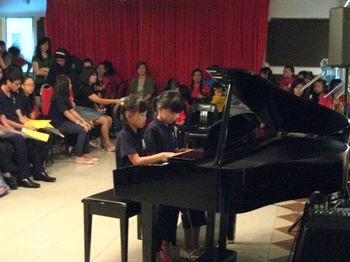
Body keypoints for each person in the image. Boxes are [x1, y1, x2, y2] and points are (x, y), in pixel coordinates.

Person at [144, 91, 207, 261]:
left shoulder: (170, 127)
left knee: (198, 196)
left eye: (177, 113)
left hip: (171, 174)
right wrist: (170, 155)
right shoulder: (153, 129)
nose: (175, 116)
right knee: (186, 198)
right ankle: (168, 245)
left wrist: (183, 152)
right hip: (160, 178)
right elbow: (152, 159)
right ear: (160, 108)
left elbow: (173, 151)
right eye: (172, 112)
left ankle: (192, 243)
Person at [0, 66, 41, 188]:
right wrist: (14, 130)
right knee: (19, 138)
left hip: (12, 125)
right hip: (5, 127)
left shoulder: (14, 94)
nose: (18, 87)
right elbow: (3, 119)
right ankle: (23, 176)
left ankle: (37, 170)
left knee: (36, 136)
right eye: (17, 84)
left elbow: (19, 115)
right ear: (8, 82)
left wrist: (27, 126)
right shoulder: (1, 95)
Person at [49, 74, 97, 165]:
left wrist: (83, 121)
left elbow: (72, 111)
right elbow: (66, 113)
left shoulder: (65, 96)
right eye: (69, 83)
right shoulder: (58, 97)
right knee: (82, 129)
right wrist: (78, 123)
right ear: (64, 85)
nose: (71, 85)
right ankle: (79, 156)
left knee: (87, 126)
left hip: (66, 121)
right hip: (58, 123)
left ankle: (86, 153)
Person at [75, 67, 121, 151]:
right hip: (81, 112)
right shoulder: (83, 87)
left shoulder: (90, 86)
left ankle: (103, 142)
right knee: (104, 120)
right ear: (87, 76)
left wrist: (97, 108)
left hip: (88, 110)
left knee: (109, 119)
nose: (95, 76)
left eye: (95, 74)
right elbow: (98, 100)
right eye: (93, 75)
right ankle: (108, 144)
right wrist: (115, 101)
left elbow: (93, 102)